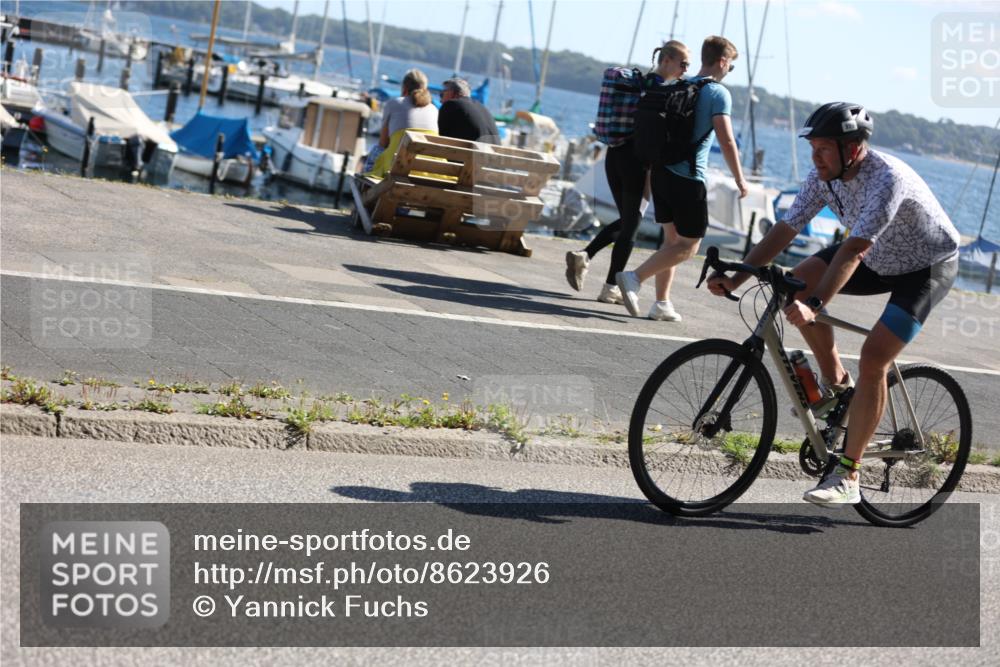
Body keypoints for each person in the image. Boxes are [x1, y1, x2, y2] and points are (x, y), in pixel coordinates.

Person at [708, 102, 961, 506]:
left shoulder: (886, 179)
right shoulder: (823, 176)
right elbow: (787, 228)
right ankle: (837, 388)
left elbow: (855, 250)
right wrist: (739, 276)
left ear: (854, 149)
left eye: (824, 149)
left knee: (875, 356)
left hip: (925, 268)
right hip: (879, 258)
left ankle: (849, 474)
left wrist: (814, 303)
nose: (816, 157)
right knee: (795, 281)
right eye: (813, 149)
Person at [615, 35, 748, 322]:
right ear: (723, 62)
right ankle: (634, 278)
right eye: (731, 66)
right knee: (689, 245)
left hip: (660, 171)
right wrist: (740, 179)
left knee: (672, 242)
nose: (729, 72)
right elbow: (726, 141)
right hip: (688, 176)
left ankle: (661, 304)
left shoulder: (678, 83)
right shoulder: (717, 93)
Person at [565, 40, 691, 310]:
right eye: (682, 63)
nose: (685, 69)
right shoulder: (661, 92)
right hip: (636, 162)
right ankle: (607, 284)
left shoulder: (639, 85)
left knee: (628, 221)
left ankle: (587, 258)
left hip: (615, 155)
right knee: (631, 223)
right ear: (666, 60)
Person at [366, 69, 438, 177]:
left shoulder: (393, 103)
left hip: (395, 167)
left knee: (375, 152)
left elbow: (383, 143)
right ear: (425, 88)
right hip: (429, 171)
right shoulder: (434, 109)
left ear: (404, 88)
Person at [437, 77, 501, 144]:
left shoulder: (450, 104)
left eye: (442, 94)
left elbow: (443, 139)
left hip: (473, 153)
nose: (440, 100)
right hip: (494, 152)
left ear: (452, 93)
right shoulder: (481, 106)